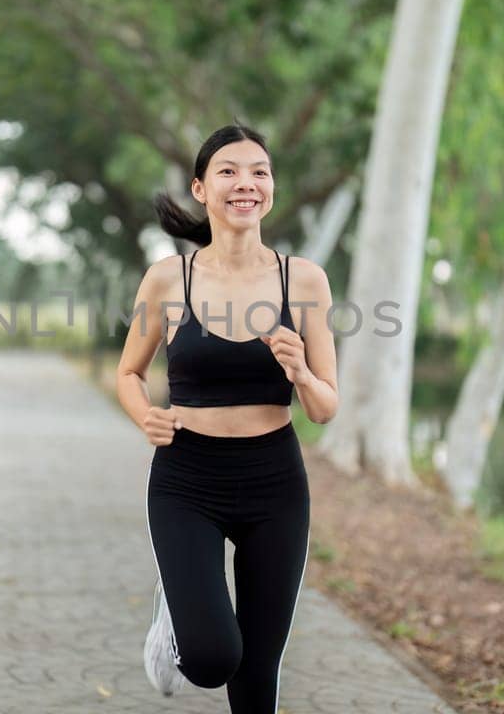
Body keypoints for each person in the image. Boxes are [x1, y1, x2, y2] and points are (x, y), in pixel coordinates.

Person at [115, 123, 340, 713]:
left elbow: (325, 407)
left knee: (258, 667)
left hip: (276, 482)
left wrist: (302, 373)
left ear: (272, 188)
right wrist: (146, 417)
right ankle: (177, 623)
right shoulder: (170, 279)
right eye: (229, 172)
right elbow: (128, 373)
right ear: (200, 188)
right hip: (187, 480)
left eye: (259, 172)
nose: (247, 183)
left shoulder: (305, 281)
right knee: (215, 656)